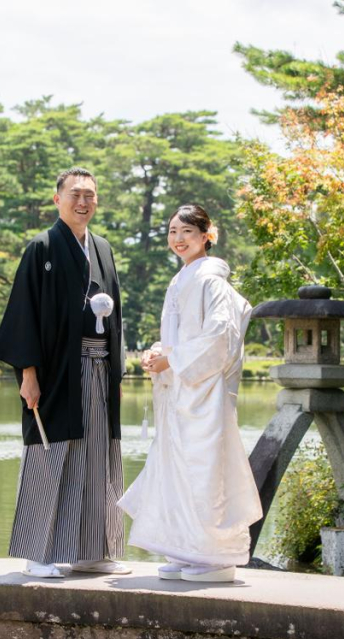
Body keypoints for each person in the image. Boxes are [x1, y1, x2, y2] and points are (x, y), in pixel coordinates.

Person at [0, 167, 129, 578]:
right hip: (55, 371)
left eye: (90, 195)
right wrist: (28, 374)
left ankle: (92, 551)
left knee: (97, 459)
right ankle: (39, 554)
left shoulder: (102, 248)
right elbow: (23, 315)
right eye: (75, 194)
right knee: (50, 453)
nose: (83, 202)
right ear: (58, 199)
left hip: (99, 369)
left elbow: (117, 314)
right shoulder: (42, 247)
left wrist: (116, 376)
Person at [118, 204, 262, 583]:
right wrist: (158, 352)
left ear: (206, 236)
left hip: (206, 394)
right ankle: (185, 548)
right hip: (182, 393)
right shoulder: (183, 278)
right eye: (172, 232)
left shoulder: (211, 281)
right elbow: (181, 337)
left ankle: (214, 557)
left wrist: (173, 359)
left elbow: (220, 339)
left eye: (187, 232)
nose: (178, 239)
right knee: (178, 470)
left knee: (205, 471)